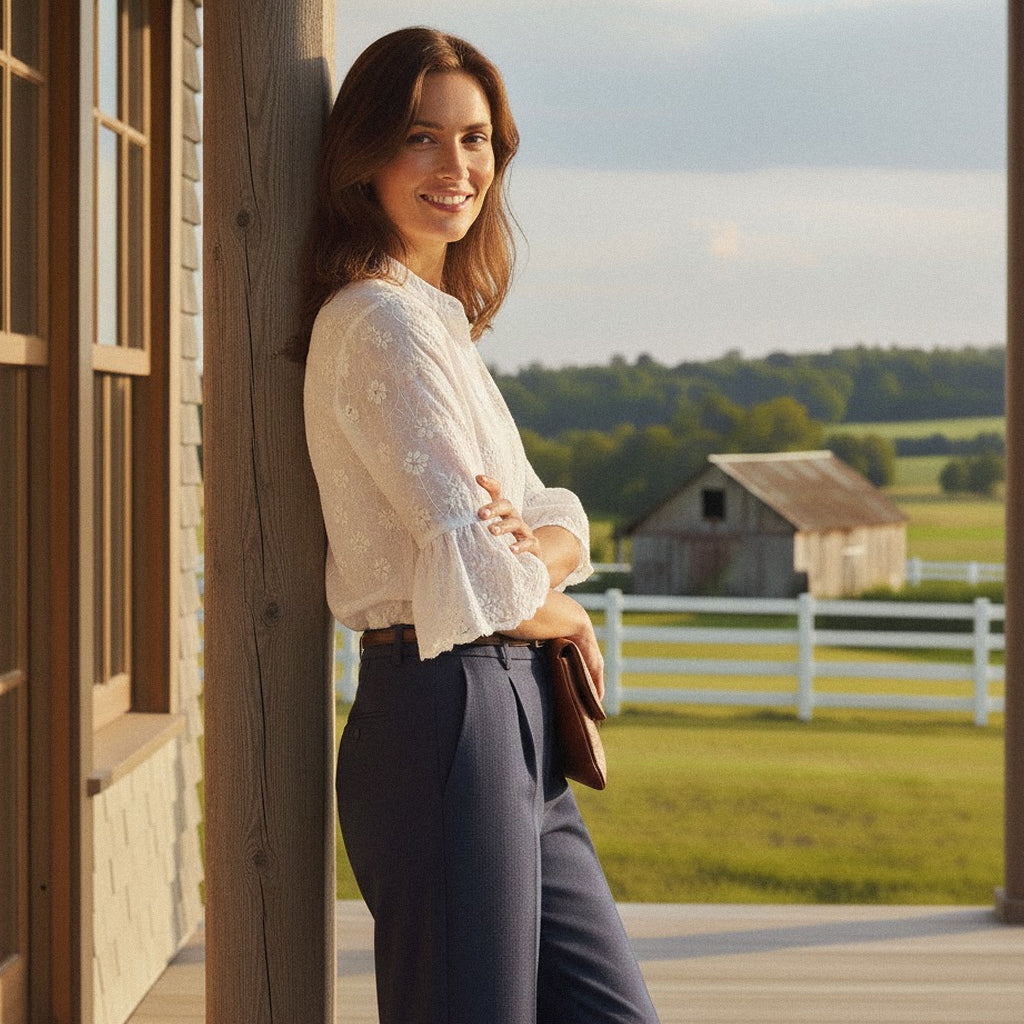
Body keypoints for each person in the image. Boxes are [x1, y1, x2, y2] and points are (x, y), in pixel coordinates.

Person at [299, 26, 661, 1024]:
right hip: (444, 711)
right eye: (423, 137)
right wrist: (550, 600)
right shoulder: (376, 322)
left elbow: (555, 516)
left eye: (478, 139)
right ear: (365, 153)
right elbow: (477, 576)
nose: (457, 167)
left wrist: (535, 562)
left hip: (515, 724)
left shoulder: (434, 321)